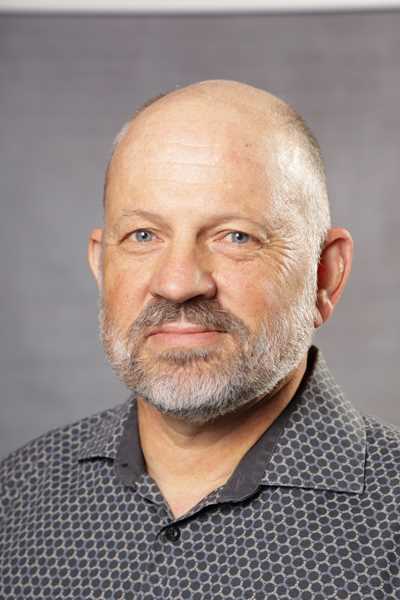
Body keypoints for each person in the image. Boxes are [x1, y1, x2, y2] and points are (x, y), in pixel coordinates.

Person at [1, 80, 399, 600]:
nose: (178, 283)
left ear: (324, 275)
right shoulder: (16, 497)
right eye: (143, 236)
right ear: (101, 265)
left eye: (236, 236)